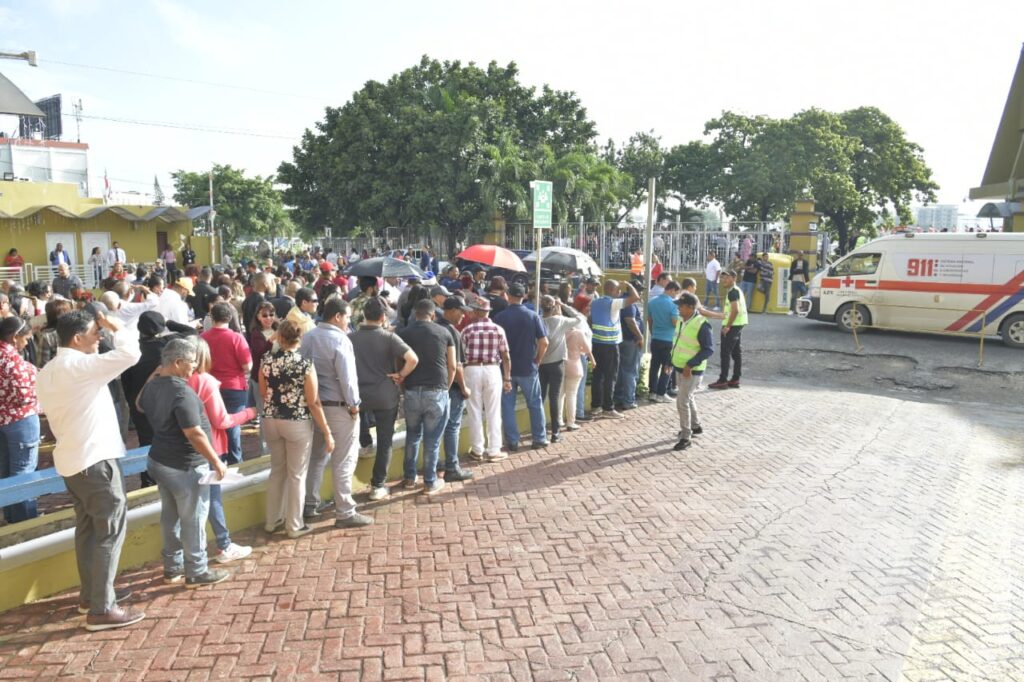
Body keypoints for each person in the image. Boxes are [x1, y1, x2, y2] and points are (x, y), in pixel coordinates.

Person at [36, 309, 145, 630]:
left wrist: (106, 329)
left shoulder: (49, 371)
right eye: (95, 332)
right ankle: (101, 607)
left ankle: (94, 596)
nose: (100, 337)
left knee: (87, 531)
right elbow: (131, 353)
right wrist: (116, 326)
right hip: (96, 461)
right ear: (77, 338)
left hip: (73, 462)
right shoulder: (80, 367)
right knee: (109, 531)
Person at [138, 338, 230, 589]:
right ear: (177, 362)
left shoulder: (154, 385)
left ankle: (173, 567)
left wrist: (156, 373)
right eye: (191, 363)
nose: (194, 367)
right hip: (185, 465)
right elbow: (194, 432)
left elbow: (139, 404)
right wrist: (216, 462)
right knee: (193, 518)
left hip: (160, 460)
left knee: (170, 515)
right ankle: (197, 570)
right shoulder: (182, 391)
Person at [300, 297, 373, 528]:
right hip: (339, 406)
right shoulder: (340, 340)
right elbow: (348, 378)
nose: (349, 321)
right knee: (344, 459)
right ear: (337, 316)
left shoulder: (309, 336)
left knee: (317, 457)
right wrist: (354, 405)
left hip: (316, 405)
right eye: (348, 317)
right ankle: (345, 511)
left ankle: (309, 504)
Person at [260, 320, 333, 538]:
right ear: (299, 339)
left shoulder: (266, 361)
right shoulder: (305, 364)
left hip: (271, 419)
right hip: (297, 421)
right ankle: (294, 524)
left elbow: (264, 393)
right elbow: (313, 401)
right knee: (297, 474)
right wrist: (327, 430)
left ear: (279, 337)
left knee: (277, 471)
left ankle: (272, 520)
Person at [187, 338, 257, 561]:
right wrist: (249, 413)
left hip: (184, 448)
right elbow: (221, 420)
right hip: (209, 446)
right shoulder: (205, 381)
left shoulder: (178, 381)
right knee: (212, 495)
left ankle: (181, 556)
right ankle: (223, 544)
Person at [350, 296, 419, 499]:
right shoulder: (389, 337)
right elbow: (412, 359)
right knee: (385, 439)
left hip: (358, 395)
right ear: (382, 317)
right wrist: (401, 375)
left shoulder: (350, 338)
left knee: (353, 437)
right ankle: (377, 484)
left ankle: (364, 444)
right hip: (385, 395)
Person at [397, 299, 455, 494]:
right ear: (433, 314)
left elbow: (400, 362)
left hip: (413, 389)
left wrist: (404, 386)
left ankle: (409, 478)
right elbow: (452, 365)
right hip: (436, 389)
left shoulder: (403, 333)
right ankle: (430, 481)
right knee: (432, 440)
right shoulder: (445, 332)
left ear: (416, 313)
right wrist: (445, 388)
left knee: (412, 435)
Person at [494, 283, 549, 451]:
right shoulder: (533, 316)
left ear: (508, 296)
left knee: (507, 405)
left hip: (506, 369)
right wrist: (537, 360)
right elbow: (544, 342)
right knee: (534, 403)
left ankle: (512, 441)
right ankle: (539, 438)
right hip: (527, 367)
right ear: (524, 296)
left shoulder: (499, 317)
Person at [201, 303, 252, 466]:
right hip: (234, 386)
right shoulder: (237, 338)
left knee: (213, 425)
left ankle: (217, 459)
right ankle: (235, 461)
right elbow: (247, 366)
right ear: (230, 318)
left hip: (210, 387)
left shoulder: (203, 338)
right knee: (232, 425)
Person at [461, 297, 512, 462]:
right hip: (492, 369)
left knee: (474, 410)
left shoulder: (467, 331)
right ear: (487, 312)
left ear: (476, 312)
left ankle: (477, 449)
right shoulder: (498, 329)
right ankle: (494, 449)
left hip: (472, 369)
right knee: (493, 410)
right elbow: (506, 356)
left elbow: (462, 355)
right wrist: (507, 377)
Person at [0, 317, 40, 523]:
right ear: (15, 337)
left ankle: (11, 518)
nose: (27, 343)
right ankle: (26, 521)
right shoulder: (12, 359)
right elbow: (24, 396)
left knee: (6, 471)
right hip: (21, 420)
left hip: (2, 420)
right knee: (23, 472)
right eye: (26, 339)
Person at [669, 293, 715, 451]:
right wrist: (671, 361)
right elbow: (677, 343)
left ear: (690, 307)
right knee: (688, 398)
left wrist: (690, 365)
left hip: (692, 371)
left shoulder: (702, 324)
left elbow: (708, 349)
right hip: (680, 367)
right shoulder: (682, 320)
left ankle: (686, 437)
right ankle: (695, 426)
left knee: (682, 402)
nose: (678, 308)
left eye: (680, 306)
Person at [537, 295, 585, 443]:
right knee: (555, 397)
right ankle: (555, 433)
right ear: (553, 307)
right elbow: (579, 318)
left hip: (541, 363)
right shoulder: (560, 320)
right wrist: (563, 305)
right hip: (557, 364)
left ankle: (541, 431)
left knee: (541, 397)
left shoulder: (538, 320)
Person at [589, 280, 640, 419]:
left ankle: (596, 406)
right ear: (612, 290)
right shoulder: (613, 303)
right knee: (611, 377)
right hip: (610, 344)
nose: (619, 293)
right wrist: (629, 285)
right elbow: (636, 297)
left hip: (596, 343)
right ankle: (608, 408)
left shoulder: (595, 302)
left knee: (598, 376)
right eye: (617, 290)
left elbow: (590, 320)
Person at [436, 296, 474, 481]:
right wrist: (464, 387)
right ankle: (452, 466)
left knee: (436, 428)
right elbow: (457, 366)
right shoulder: (452, 332)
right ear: (450, 310)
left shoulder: (434, 328)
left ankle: (437, 463)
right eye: (460, 311)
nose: (463, 315)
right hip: (450, 388)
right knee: (452, 427)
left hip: (434, 387)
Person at [708, 270, 747, 390]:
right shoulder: (736, 290)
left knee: (725, 354)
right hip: (739, 324)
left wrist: (727, 326)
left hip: (733, 325)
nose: (724, 280)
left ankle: (723, 380)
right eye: (722, 277)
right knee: (736, 353)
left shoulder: (733, 292)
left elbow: (735, 310)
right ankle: (735, 379)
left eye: (727, 277)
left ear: (734, 278)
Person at [647, 280, 681, 402]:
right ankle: (661, 394)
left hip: (655, 338)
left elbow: (649, 320)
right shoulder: (673, 304)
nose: (676, 296)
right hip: (668, 340)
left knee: (654, 366)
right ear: (671, 290)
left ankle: (652, 392)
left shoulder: (652, 302)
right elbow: (674, 321)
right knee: (668, 367)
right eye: (676, 293)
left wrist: (653, 332)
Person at [613, 287, 644, 412]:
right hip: (630, 341)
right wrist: (640, 336)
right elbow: (630, 321)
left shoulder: (619, 300)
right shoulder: (628, 302)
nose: (641, 294)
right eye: (640, 291)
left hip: (620, 339)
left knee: (621, 370)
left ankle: (619, 397)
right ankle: (628, 400)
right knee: (630, 371)